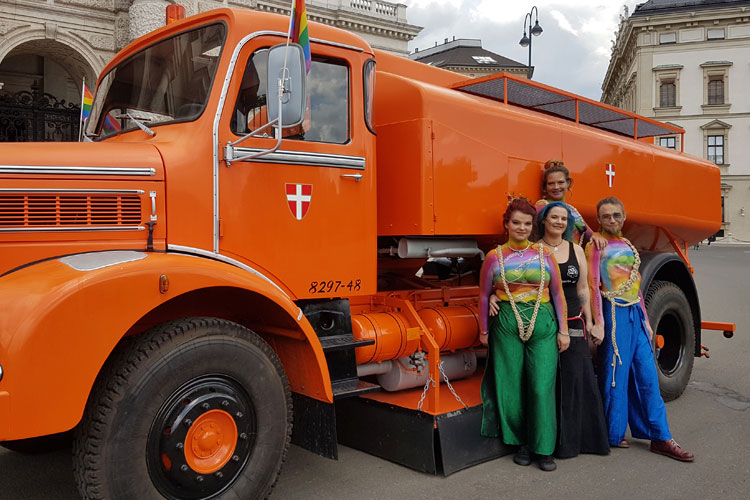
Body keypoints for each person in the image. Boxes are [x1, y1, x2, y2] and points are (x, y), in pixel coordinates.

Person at [587, 197, 694, 461]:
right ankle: (613, 434)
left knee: (647, 376)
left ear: (624, 217)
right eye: (605, 216)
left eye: (615, 215)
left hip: (635, 313)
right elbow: (591, 286)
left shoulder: (627, 245)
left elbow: (635, 287)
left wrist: (646, 320)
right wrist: (598, 322)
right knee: (615, 376)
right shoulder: (595, 246)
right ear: (598, 220)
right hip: (613, 314)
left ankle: (660, 436)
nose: (611, 220)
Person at [478, 197, 570, 472]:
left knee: (541, 386)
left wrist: (564, 331)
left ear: (533, 226)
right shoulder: (494, 257)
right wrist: (483, 329)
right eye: (516, 222)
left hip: (542, 322)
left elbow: (558, 294)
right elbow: (483, 295)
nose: (522, 228)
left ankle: (544, 448)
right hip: (506, 321)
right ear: (506, 224)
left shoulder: (545, 256)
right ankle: (522, 444)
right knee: (512, 386)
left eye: (527, 223)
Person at [536, 160, 607, 250]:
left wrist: (596, 235)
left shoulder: (571, 210)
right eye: (551, 183)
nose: (556, 187)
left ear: (568, 183)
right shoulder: (542, 207)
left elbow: (590, 235)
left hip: (574, 259)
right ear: (545, 187)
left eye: (560, 182)